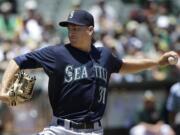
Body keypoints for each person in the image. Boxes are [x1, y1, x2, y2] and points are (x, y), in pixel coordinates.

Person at [0, 10, 178, 135]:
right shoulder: (57, 53)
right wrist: (3, 90)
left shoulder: (104, 56)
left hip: (94, 131)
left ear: (90, 30)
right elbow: (17, 61)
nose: (72, 32)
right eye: (69, 28)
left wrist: (157, 62)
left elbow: (123, 65)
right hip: (61, 129)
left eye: (77, 28)